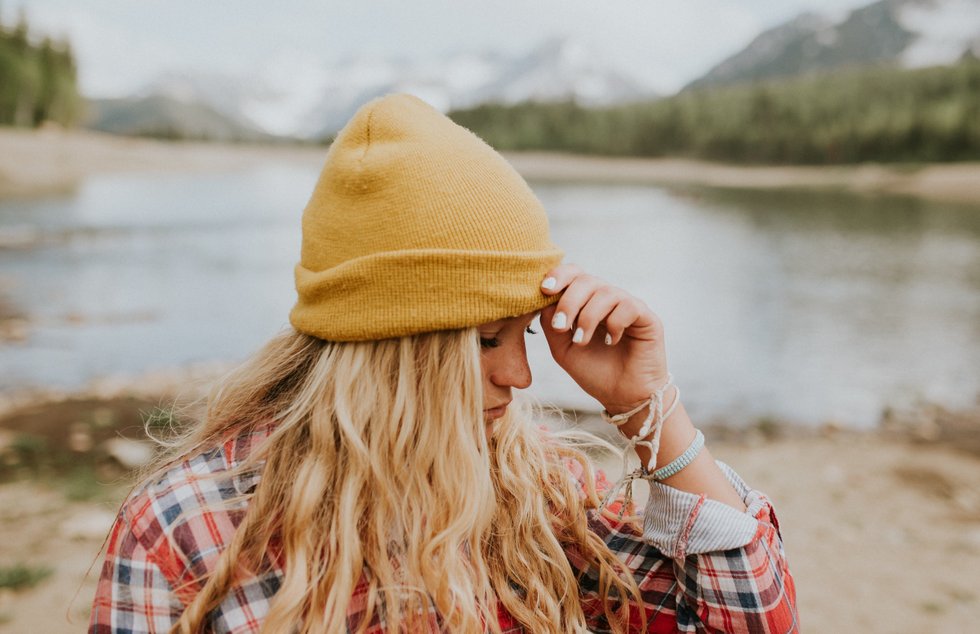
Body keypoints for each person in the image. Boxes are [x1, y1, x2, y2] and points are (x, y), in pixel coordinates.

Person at [89, 93, 798, 633]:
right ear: (392, 347)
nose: (520, 377)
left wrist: (650, 408)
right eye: (487, 340)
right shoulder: (189, 526)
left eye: (525, 334)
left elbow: (751, 620)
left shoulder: (535, 489)